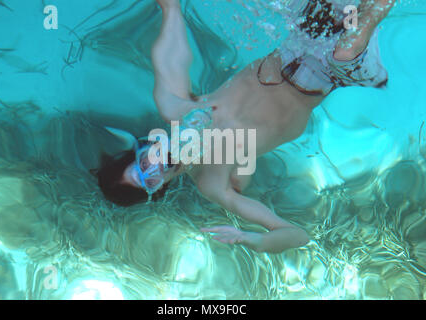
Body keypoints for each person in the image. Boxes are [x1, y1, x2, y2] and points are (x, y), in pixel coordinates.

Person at [96, 0, 395, 254]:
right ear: (159, 190)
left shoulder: (175, 105)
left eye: (143, 163)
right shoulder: (214, 182)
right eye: (147, 180)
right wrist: (251, 239)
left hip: (300, 40)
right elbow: (296, 234)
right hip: (337, 70)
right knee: (347, 46)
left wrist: (169, 7)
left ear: (143, 145)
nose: (155, 168)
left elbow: (172, 31)